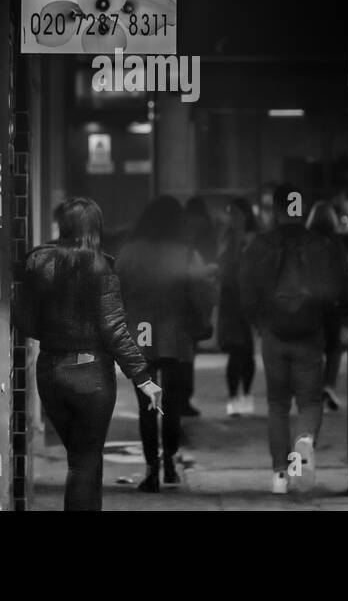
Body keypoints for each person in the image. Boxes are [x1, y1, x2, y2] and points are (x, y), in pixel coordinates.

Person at [15, 197, 163, 511]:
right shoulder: (100, 265)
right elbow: (114, 328)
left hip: (50, 369)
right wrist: (143, 378)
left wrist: (55, 336)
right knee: (84, 461)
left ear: (62, 224)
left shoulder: (35, 262)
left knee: (83, 457)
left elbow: (24, 320)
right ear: (95, 228)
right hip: (90, 373)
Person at [240, 185, 348, 495]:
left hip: (274, 333)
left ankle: (279, 475)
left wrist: (258, 321)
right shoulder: (322, 244)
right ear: (301, 208)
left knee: (277, 403)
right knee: (309, 399)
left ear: (274, 209)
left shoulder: (260, 244)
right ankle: (303, 442)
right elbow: (344, 290)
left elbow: (244, 287)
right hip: (310, 331)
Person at [117, 196, 215, 492]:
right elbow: (203, 293)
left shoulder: (130, 253)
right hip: (177, 337)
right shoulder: (186, 254)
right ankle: (170, 463)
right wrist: (203, 321)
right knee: (172, 404)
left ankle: (151, 471)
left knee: (147, 406)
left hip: (140, 336)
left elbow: (115, 289)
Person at [306, 200, 348, 411]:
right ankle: (328, 385)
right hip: (331, 303)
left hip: (308, 302)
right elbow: (345, 274)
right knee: (334, 347)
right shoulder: (337, 244)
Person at [217, 197, 258, 416]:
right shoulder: (228, 236)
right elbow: (225, 263)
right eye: (229, 212)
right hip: (231, 297)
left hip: (246, 296)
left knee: (247, 351)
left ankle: (244, 395)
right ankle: (235, 398)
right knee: (237, 349)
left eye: (235, 212)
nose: (231, 216)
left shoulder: (251, 237)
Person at [178, 196, 219, 417]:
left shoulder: (185, 236)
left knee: (182, 355)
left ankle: (179, 398)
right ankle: (182, 398)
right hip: (189, 306)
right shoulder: (200, 237)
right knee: (186, 355)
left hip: (184, 306)